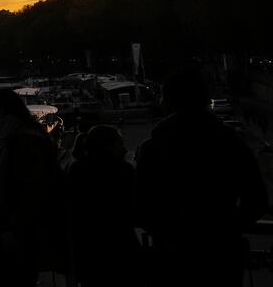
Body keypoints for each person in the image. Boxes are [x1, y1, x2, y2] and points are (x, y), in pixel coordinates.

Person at [136, 68, 267, 287]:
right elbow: (257, 201)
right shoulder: (231, 144)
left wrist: (167, 233)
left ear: (168, 101)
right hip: (222, 256)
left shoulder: (153, 148)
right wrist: (225, 229)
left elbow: (141, 207)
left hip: (173, 256)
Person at [0, 88, 65, 287]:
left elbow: (32, 190)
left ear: (1, 112)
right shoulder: (22, 137)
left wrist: (14, 229)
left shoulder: (23, 142)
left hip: (20, 232)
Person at [65, 125, 139, 287]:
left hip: (88, 252)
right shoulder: (124, 171)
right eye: (120, 143)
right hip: (121, 248)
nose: (125, 149)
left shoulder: (76, 169)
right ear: (109, 145)